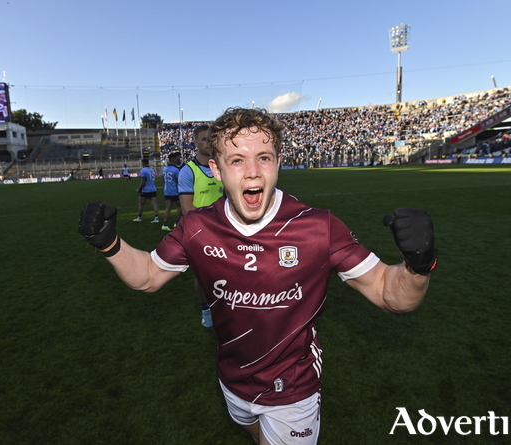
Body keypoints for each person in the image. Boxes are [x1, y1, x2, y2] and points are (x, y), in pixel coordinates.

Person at [79, 107, 437, 445]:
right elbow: (148, 275)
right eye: (237, 160)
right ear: (217, 170)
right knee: (252, 428)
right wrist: (110, 244)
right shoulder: (197, 228)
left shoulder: (318, 227)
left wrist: (419, 266)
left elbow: (391, 295)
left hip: (293, 388)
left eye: (263, 157)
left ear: (278, 163)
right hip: (232, 378)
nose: (252, 172)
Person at [178, 124, 224, 327]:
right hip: (201, 232)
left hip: (226, 229)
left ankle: (227, 306)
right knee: (203, 275)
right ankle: (206, 308)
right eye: (204, 139)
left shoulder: (223, 167)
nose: (209, 142)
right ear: (196, 143)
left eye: (211, 138)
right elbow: (187, 208)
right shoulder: (188, 172)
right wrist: (215, 222)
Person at [160, 152, 182, 231]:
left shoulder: (164, 169)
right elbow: (178, 181)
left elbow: (162, 180)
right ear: (174, 160)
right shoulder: (176, 170)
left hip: (167, 191)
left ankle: (164, 224)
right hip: (174, 191)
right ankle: (177, 222)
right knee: (181, 205)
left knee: (168, 208)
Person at [133, 158, 159, 223]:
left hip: (146, 190)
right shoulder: (152, 170)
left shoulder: (143, 170)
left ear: (143, 163)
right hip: (153, 189)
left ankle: (139, 217)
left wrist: (139, 189)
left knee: (141, 203)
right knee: (154, 204)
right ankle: (156, 218)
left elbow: (143, 181)